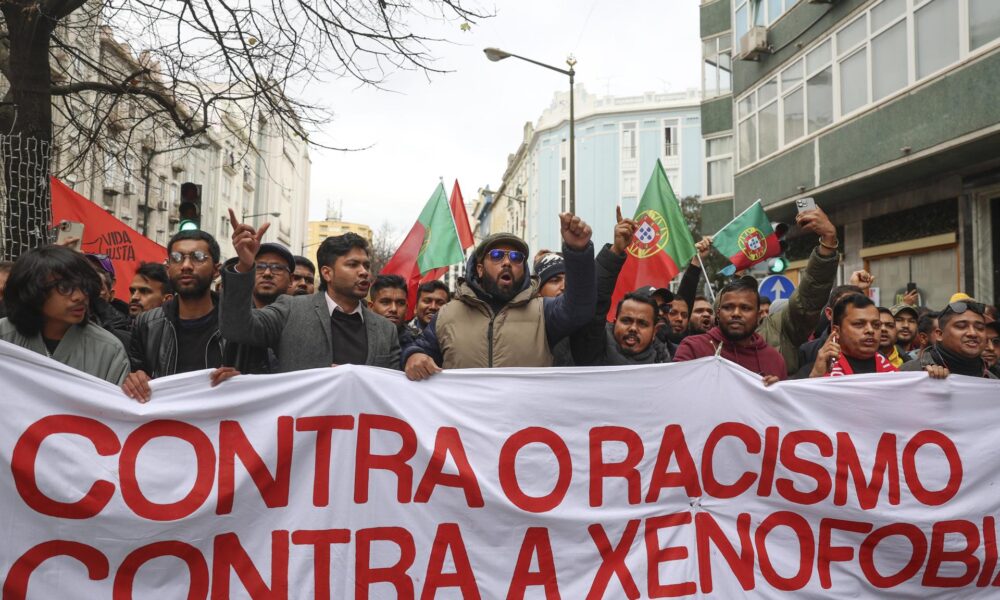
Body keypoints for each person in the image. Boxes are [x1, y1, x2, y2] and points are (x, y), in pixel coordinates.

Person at [403, 213, 595, 380]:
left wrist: (578, 252)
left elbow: (580, 308)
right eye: (496, 255)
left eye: (516, 258)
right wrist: (413, 356)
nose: (506, 262)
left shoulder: (543, 312)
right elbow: (420, 350)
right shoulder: (447, 314)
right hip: (464, 421)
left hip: (524, 421)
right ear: (479, 269)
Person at [221, 210, 400, 372]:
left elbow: (390, 386)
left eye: (366, 266)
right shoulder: (290, 310)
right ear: (327, 273)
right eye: (352, 265)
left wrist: (354, 378)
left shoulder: (386, 330)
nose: (364, 272)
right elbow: (237, 329)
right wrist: (244, 266)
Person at [125, 231, 240, 401]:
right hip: (165, 423)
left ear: (216, 270)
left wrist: (241, 381)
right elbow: (135, 375)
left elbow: (262, 382)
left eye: (198, 257)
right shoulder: (147, 324)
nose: (186, 265)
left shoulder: (239, 324)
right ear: (168, 269)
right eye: (177, 258)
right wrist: (134, 380)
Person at [0, 245, 130, 384]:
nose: (80, 297)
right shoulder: (4, 336)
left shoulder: (108, 350)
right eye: (65, 288)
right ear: (32, 290)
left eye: (84, 287)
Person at [570, 214, 670, 366]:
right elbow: (594, 303)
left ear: (655, 331)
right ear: (614, 322)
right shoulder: (594, 352)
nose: (633, 329)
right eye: (626, 320)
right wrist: (615, 251)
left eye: (642, 323)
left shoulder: (665, 364)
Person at [674, 277, 786, 385]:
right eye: (728, 307)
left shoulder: (775, 359)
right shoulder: (692, 348)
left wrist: (776, 392)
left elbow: (781, 403)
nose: (736, 313)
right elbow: (675, 391)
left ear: (758, 316)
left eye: (745, 308)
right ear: (718, 314)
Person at [809, 294, 901, 377]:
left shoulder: (895, 375)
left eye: (876, 325)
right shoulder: (817, 371)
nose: (870, 330)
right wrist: (816, 377)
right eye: (859, 324)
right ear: (836, 331)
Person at [901, 300, 996, 379]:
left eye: (979, 328)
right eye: (961, 326)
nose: (973, 333)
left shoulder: (993, 382)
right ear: (939, 334)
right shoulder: (910, 373)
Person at [252, 243, 294, 308]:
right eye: (259, 267)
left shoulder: (300, 315)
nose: (267, 273)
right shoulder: (234, 310)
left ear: (291, 280)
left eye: (277, 268)